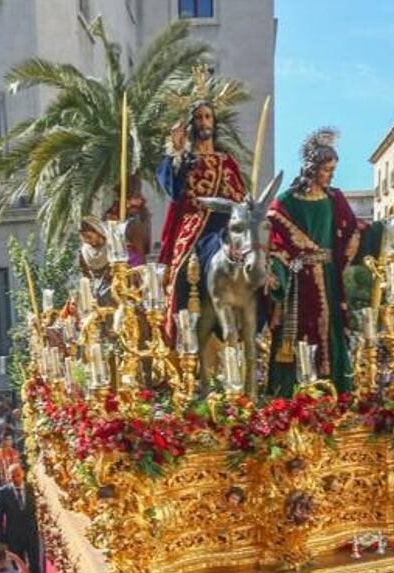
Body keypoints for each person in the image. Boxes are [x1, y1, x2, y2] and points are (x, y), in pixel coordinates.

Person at [266, 128, 371, 395]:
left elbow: (352, 231)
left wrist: (381, 231)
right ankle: (291, 396)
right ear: (312, 169)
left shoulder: (334, 198)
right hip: (298, 280)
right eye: (327, 169)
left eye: (333, 169)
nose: (331, 175)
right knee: (296, 335)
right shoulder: (286, 202)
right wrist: (279, 269)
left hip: (327, 276)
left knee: (330, 331)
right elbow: (276, 244)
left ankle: (333, 392)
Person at [156, 98, 247, 330]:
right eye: (198, 117)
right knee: (184, 275)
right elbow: (173, 191)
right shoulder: (185, 160)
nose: (204, 122)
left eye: (208, 117)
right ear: (191, 124)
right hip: (194, 230)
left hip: (225, 228)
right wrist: (175, 152)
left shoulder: (228, 162)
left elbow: (241, 200)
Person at [0, 465, 41, 573]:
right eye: (11, 476)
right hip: (14, 537)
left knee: (35, 567)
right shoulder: (3, 493)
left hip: (31, 535)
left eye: (17, 475)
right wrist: (2, 540)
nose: (15, 479)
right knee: (19, 570)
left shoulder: (31, 488)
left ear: (23, 474)